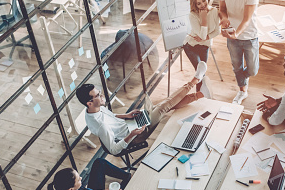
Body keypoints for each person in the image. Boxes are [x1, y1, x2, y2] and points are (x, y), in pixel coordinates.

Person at [77, 62, 211, 155]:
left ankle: (200, 94)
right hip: (135, 136)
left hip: (130, 125)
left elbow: (110, 118)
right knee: (163, 107)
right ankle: (195, 81)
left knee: (164, 106)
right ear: (89, 102)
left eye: (99, 92)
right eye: (98, 95)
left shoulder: (93, 110)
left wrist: (126, 115)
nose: (102, 96)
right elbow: (114, 150)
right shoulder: (100, 126)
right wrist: (132, 134)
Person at [218, 0, 260, 105]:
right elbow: (222, 10)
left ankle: (243, 78)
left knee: (253, 70)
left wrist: (237, 33)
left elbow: (247, 19)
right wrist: (223, 18)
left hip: (249, 35)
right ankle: (242, 90)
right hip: (232, 35)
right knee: (237, 66)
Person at [183, 0, 220, 97]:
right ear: (195, 5)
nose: (203, 5)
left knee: (201, 73)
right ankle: (199, 98)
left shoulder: (214, 11)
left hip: (205, 46)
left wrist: (206, 37)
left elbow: (218, 31)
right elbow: (202, 35)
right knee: (199, 73)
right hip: (191, 46)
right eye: (198, 3)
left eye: (204, 0)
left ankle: (199, 97)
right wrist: (203, 18)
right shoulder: (193, 15)